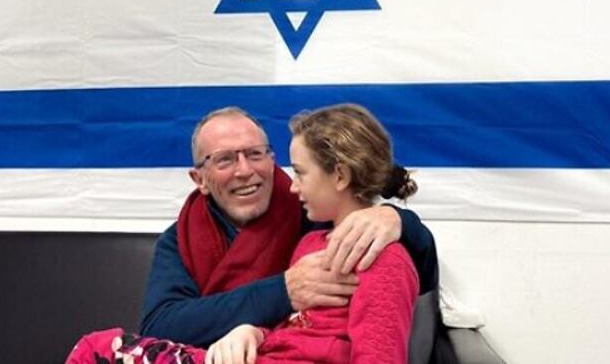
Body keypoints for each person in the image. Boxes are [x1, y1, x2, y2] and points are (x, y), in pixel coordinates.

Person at [66, 106, 436, 362]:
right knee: (97, 348)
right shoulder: (180, 239)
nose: (246, 170)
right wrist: (276, 300)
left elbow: (410, 272)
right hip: (236, 352)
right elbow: (162, 324)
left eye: (256, 154)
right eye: (226, 159)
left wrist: (396, 219)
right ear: (201, 180)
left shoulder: (317, 217)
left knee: (96, 348)